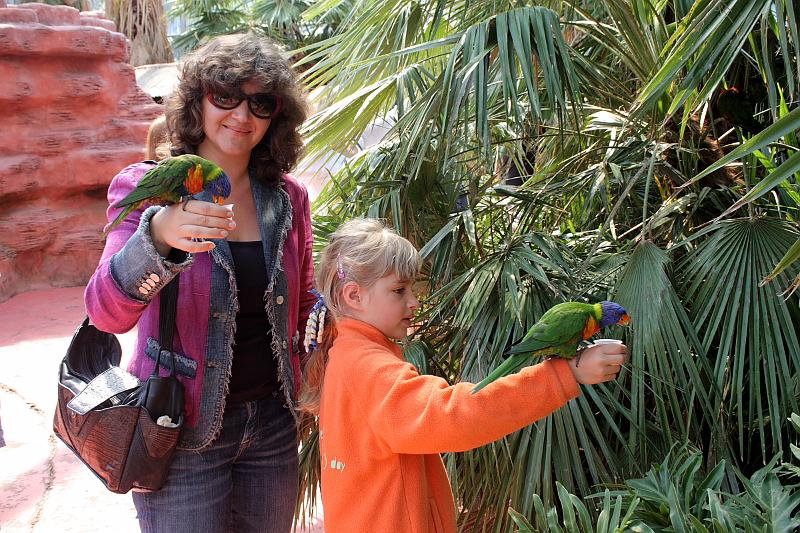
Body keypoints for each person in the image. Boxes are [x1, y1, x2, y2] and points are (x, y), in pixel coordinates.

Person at [85, 34, 315, 533]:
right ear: (197, 101)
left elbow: (301, 302)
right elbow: (105, 311)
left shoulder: (288, 198)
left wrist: (331, 323)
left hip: (273, 427)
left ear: (278, 114)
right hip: (179, 428)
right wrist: (160, 235)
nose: (241, 115)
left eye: (260, 102)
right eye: (225, 96)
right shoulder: (148, 184)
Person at [300, 218, 628, 533]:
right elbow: (452, 416)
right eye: (399, 291)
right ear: (354, 296)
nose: (414, 301)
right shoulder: (367, 367)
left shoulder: (344, 355)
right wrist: (563, 374)